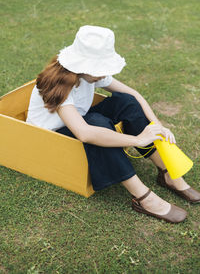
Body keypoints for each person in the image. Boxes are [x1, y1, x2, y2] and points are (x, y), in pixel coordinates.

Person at [26, 25, 200, 223]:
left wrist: (158, 126)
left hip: (77, 121)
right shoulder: (58, 84)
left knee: (126, 102)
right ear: (83, 65)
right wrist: (137, 139)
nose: (103, 74)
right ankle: (142, 197)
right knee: (96, 124)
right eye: (99, 69)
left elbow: (133, 94)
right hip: (50, 137)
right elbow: (85, 133)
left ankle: (167, 173)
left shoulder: (87, 73)